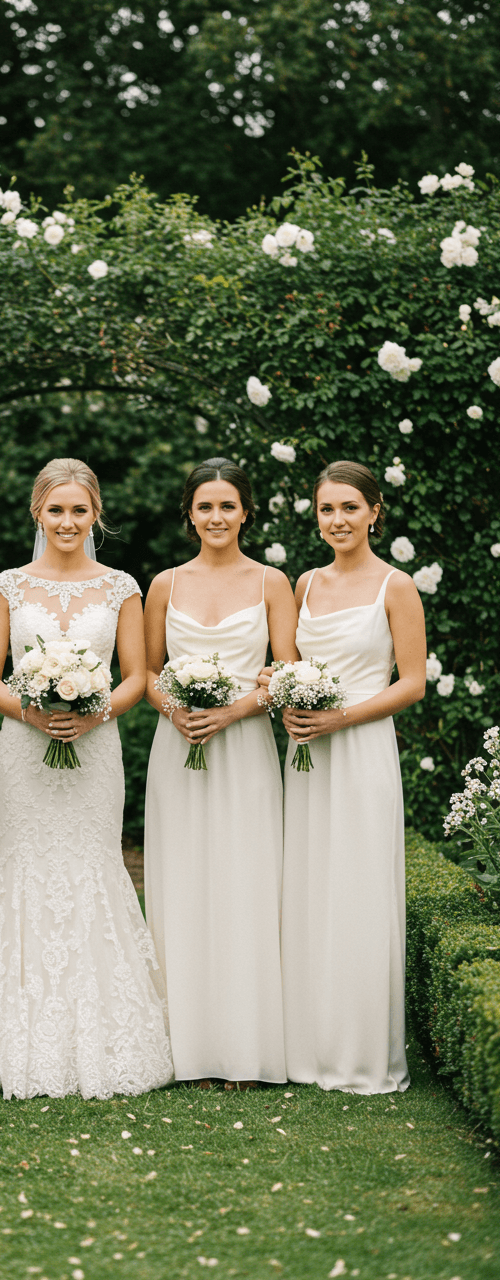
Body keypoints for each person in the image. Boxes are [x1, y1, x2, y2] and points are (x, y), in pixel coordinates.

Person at [0, 457, 173, 1099]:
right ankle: (10, 1035)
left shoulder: (122, 586)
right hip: (23, 750)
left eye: (79, 510)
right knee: (23, 864)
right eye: (56, 510)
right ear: (37, 513)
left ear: (96, 515)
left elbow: (138, 676)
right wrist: (29, 711)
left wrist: (95, 712)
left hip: (96, 752)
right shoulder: (7, 585)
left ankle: (106, 1036)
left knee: (95, 864)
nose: (68, 521)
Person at [143, 458, 299, 1087]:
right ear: (190, 515)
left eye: (227, 506)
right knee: (182, 883)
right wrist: (176, 710)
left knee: (244, 882)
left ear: (246, 513)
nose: (216, 517)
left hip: (245, 749)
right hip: (177, 747)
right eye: (205, 507)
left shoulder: (272, 582)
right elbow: (147, 673)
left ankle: (244, 1047)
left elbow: (287, 671)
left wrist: (234, 710)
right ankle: (186, 1049)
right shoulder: (163, 584)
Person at [279, 460, 426, 1093]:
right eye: (326, 510)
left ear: (374, 513)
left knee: (359, 888)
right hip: (307, 754)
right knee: (309, 886)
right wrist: (289, 699)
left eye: (348, 508)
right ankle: (307, 1048)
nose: (337, 520)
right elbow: (283, 665)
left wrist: (341, 719)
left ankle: (363, 1053)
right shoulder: (303, 584)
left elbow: (413, 683)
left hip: (362, 749)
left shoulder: (397, 587)